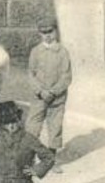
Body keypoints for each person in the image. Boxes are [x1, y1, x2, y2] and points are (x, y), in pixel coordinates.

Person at [26, 17, 73, 160]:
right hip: (39, 97)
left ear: (56, 31)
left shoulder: (63, 52)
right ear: (39, 34)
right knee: (32, 126)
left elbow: (66, 76)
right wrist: (40, 91)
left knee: (55, 127)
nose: (47, 35)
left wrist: (53, 92)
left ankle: (50, 159)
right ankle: (29, 157)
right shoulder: (35, 51)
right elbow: (30, 73)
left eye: (50, 32)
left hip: (56, 98)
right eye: (43, 32)